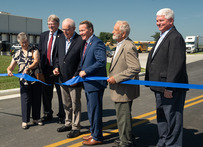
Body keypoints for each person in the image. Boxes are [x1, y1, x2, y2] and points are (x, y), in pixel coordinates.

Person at [145, 8, 188, 147]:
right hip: (159, 86)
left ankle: (173, 144)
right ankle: (163, 142)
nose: (158, 23)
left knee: (173, 118)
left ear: (171, 21)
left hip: (169, 88)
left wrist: (170, 87)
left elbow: (176, 64)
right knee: (162, 117)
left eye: (161, 20)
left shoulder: (175, 37)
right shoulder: (163, 35)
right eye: (157, 20)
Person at [107, 21, 141, 147]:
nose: (112, 32)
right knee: (123, 116)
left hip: (124, 89)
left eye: (115, 30)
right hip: (120, 88)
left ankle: (126, 142)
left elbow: (135, 68)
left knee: (123, 117)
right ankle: (126, 137)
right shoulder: (120, 44)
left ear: (123, 33)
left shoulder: (128, 46)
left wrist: (117, 78)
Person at [53, 18, 85, 138]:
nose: (64, 32)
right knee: (66, 103)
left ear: (73, 29)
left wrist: (76, 75)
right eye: (63, 29)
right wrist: (56, 67)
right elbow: (57, 57)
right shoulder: (60, 39)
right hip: (62, 77)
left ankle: (76, 127)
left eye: (67, 30)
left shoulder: (80, 40)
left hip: (74, 79)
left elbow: (82, 60)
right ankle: (68, 123)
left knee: (75, 103)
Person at [78, 20, 107, 146]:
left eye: (83, 30)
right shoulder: (87, 43)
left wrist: (86, 71)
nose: (81, 33)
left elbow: (101, 61)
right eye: (80, 31)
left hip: (95, 84)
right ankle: (93, 132)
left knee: (95, 111)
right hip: (89, 84)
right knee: (91, 110)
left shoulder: (97, 43)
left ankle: (97, 136)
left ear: (90, 30)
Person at [7, 32, 43, 129]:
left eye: (26, 42)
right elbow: (11, 66)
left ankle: (36, 118)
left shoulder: (34, 50)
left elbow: (36, 61)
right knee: (25, 100)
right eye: (22, 43)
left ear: (28, 41)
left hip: (35, 79)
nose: (24, 44)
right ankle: (25, 120)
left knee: (36, 99)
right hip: (24, 81)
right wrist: (9, 70)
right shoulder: (17, 53)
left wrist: (28, 68)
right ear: (19, 43)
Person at [38, 14, 65, 123]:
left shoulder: (62, 35)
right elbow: (40, 51)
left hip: (58, 70)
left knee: (61, 93)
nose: (50, 26)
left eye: (53, 24)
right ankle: (47, 113)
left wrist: (57, 67)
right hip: (46, 69)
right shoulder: (43, 35)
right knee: (46, 93)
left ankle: (62, 115)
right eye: (49, 24)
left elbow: (63, 53)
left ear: (58, 24)